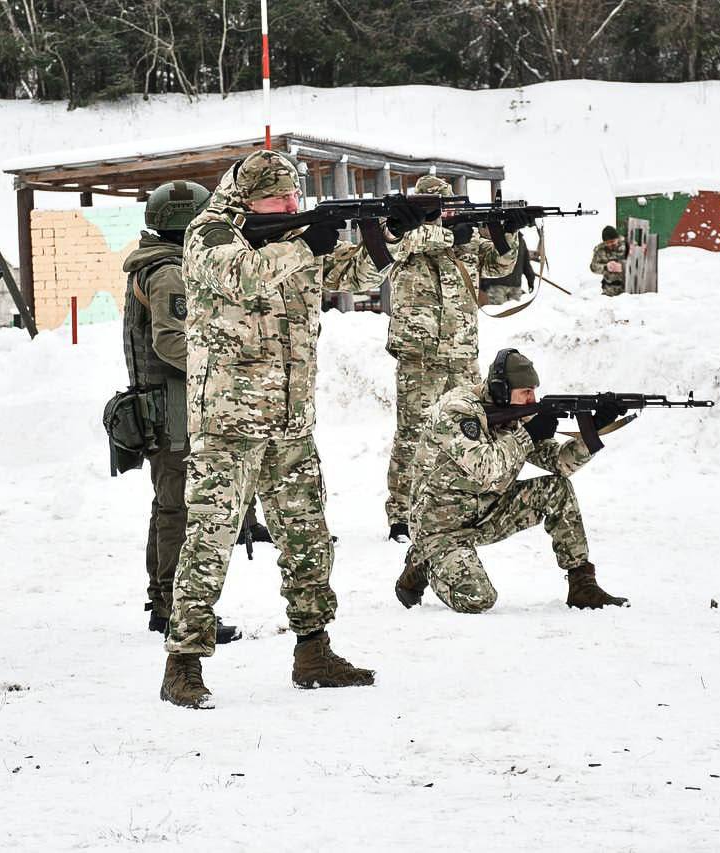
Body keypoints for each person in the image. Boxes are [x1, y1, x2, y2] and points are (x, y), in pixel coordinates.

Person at [161, 149, 426, 708]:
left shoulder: (295, 236)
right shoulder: (209, 234)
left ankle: (313, 649)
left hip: (290, 421)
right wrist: (308, 241)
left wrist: (390, 235)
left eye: (294, 196)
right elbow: (247, 278)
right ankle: (183, 664)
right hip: (229, 423)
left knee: (307, 541)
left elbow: (356, 272)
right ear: (248, 197)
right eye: (279, 198)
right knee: (209, 542)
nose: (291, 205)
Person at [394, 348, 629, 613]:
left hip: (488, 513)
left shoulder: (516, 414)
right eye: (525, 393)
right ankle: (422, 562)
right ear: (502, 389)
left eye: (533, 391)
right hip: (441, 529)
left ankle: (582, 585)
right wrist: (528, 435)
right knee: (478, 599)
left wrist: (593, 428)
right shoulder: (457, 411)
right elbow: (485, 467)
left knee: (556, 490)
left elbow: (559, 463)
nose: (532, 399)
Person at [122, 179, 240, 645]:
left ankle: (163, 599)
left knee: (168, 504)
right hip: (172, 409)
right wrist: (224, 363)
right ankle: (172, 604)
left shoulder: (158, 264)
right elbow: (170, 342)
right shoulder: (169, 271)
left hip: (165, 405)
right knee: (178, 508)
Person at [383, 175, 524, 544]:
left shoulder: (466, 237)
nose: (447, 213)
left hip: (461, 354)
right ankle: (401, 515)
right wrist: (450, 234)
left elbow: (499, 265)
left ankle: (461, 506)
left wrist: (506, 233)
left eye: (450, 207)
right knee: (413, 434)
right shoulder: (404, 233)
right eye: (439, 208)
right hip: (420, 355)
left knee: (470, 430)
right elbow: (393, 248)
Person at [590, 225, 627, 297]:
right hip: (609, 291)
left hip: (629, 290)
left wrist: (623, 266)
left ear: (617, 238)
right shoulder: (600, 249)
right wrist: (606, 267)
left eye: (612, 241)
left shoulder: (626, 244)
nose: (610, 244)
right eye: (607, 242)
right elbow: (593, 267)